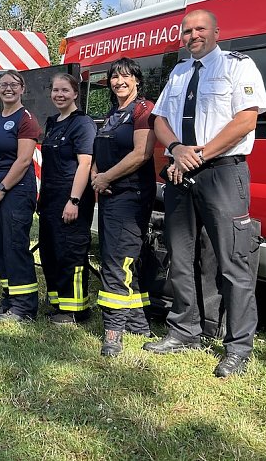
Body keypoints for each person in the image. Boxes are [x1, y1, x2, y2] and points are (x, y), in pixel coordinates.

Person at [145, 9, 266, 378]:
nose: (193, 35)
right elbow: (159, 120)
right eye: (187, 30)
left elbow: (246, 119)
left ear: (216, 31)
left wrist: (198, 154)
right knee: (180, 258)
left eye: (200, 29)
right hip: (182, 174)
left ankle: (238, 347)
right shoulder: (179, 72)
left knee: (233, 263)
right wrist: (178, 149)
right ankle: (186, 331)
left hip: (223, 173)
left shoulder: (238, 66)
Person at [90, 58, 157, 356]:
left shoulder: (143, 109)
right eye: (115, 77)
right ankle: (138, 323)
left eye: (126, 76)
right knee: (129, 259)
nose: (119, 81)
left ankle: (113, 331)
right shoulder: (112, 114)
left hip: (130, 195)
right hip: (108, 194)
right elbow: (98, 150)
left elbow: (141, 153)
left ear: (137, 80)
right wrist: (95, 177)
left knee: (117, 262)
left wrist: (105, 177)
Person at [0, 70, 42, 322]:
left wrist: (0, 190)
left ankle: (24, 307)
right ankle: (9, 299)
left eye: (13, 85)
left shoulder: (26, 119)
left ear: (22, 88)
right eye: (3, 84)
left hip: (15, 191)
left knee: (15, 246)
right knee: (0, 247)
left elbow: (24, 160)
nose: (8, 89)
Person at [38, 73, 96, 324]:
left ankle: (75, 310)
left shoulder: (82, 124)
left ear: (75, 93)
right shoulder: (53, 122)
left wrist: (74, 201)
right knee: (50, 251)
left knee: (70, 252)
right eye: (55, 90)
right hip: (50, 197)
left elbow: (85, 164)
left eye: (65, 90)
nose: (59, 95)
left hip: (71, 196)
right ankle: (59, 303)